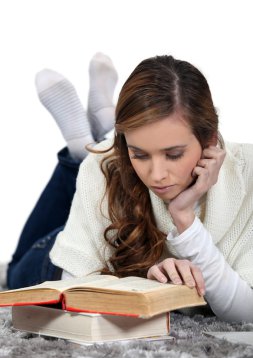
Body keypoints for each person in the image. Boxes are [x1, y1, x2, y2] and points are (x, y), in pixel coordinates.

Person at [7, 53, 253, 323]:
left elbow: (248, 312)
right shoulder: (104, 166)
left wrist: (185, 218)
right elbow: (75, 284)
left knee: (98, 161)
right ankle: (87, 148)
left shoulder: (247, 173)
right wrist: (150, 283)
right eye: (140, 154)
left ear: (209, 139)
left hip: (105, 202)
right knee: (16, 272)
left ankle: (92, 139)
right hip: (84, 235)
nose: (157, 176)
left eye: (173, 155)